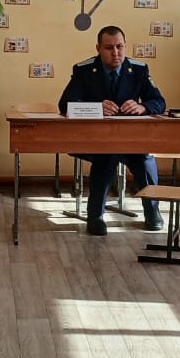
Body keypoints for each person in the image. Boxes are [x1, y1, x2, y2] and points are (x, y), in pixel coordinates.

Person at [58, 25, 165, 236]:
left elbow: (159, 102)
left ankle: (152, 212)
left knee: (145, 160)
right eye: (109, 48)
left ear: (125, 46)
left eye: (120, 47)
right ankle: (95, 216)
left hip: (131, 140)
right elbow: (65, 105)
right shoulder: (84, 70)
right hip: (96, 140)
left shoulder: (139, 69)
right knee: (106, 155)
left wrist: (143, 107)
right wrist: (96, 108)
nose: (115, 53)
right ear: (98, 48)